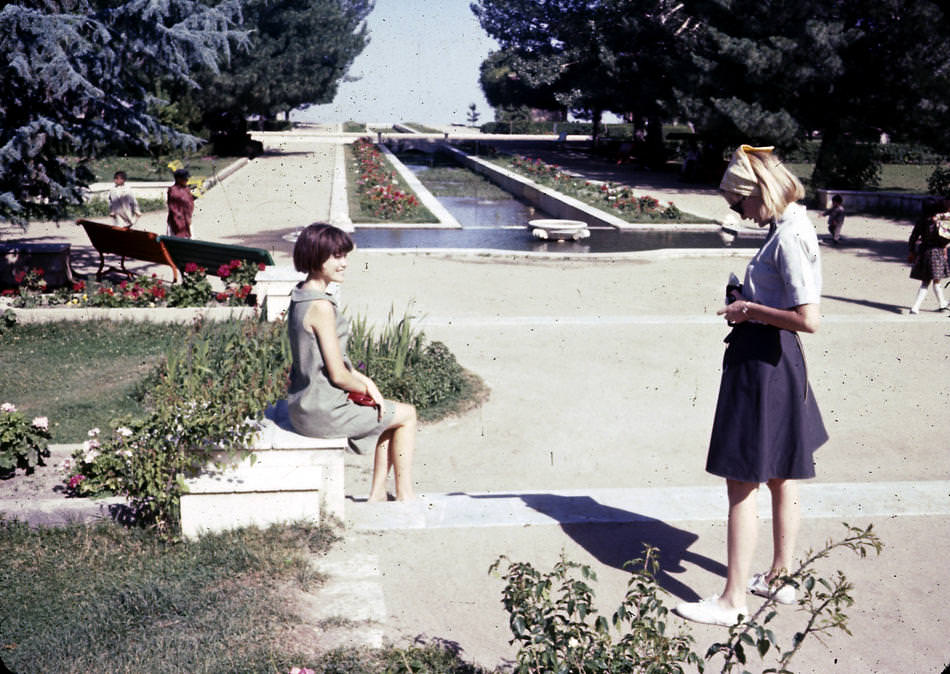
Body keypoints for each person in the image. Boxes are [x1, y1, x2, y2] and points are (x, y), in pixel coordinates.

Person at [674, 145, 828, 627]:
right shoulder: (790, 227)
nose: (738, 213)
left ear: (757, 193)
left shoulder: (787, 237)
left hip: (763, 363)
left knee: (742, 481)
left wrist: (747, 310)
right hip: (778, 363)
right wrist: (753, 298)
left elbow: (809, 319)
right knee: (782, 474)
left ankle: (731, 600)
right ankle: (780, 577)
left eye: (739, 204)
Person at [286, 223, 417, 501]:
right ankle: (405, 494)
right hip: (321, 411)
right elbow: (338, 375)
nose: (344, 263)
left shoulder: (300, 296)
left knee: (387, 414)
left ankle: (379, 492)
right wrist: (370, 390)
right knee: (407, 415)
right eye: (336, 256)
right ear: (315, 256)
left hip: (303, 405)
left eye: (344, 255)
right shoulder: (321, 306)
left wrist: (366, 381)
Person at [906, 198, 950, 314]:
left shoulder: (921, 221)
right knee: (932, 281)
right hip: (937, 252)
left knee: (931, 280)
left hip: (924, 252)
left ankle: (942, 303)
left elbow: (913, 237)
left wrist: (912, 251)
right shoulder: (940, 221)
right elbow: (945, 237)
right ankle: (916, 307)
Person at [166, 168, 195, 238]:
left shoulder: (186, 189)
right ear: (178, 179)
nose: (187, 180)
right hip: (177, 221)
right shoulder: (173, 191)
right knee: (177, 238)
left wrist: (189, 216)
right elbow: (173, 207)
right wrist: (179, 220)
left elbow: (190, 203)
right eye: (185, 179)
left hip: (187, 219)